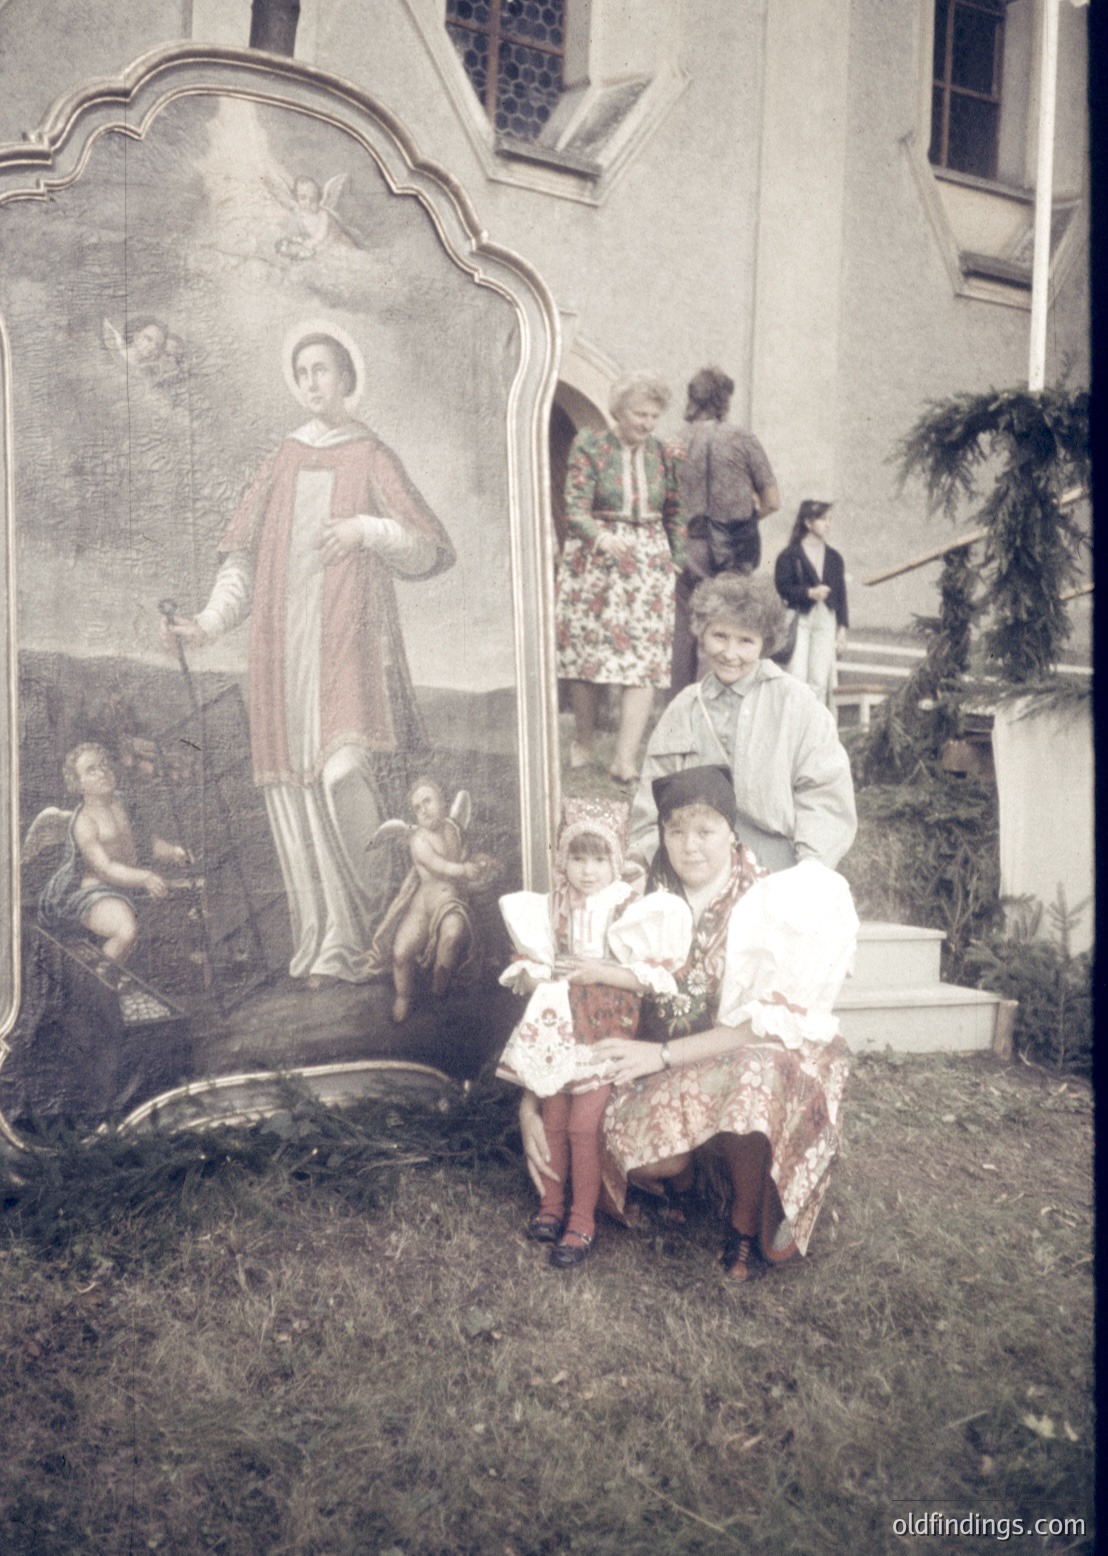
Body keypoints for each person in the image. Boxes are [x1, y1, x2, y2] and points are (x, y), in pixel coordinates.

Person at [161, 325, 455, 988]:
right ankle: (327, 943)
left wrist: (366, 528)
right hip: (281, 652)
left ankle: (373, 915)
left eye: (324, 369)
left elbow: (426, 547)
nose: (313, 382)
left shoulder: (371, 454)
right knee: (292, 795)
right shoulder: (283, 458)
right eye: (303, 371)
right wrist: (207, 621)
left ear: (348, 377)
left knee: (340, 774)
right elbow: (241, 555)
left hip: (344, 644)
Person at [520, 765, 858, 1282]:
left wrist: (661, 1055)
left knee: (757, 1074)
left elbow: (762, 1030)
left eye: (705, 831)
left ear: (731, 831)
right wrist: (531, 1101)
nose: (690, 846)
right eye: (675, 831)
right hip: (653, 1060)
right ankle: (693, 1174)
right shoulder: (634, 897)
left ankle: (745, 1220)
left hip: (742, 1053)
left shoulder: (770, 903)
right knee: (652, 1157)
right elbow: (567, 995)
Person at [497, 799, 692, 1267]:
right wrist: (537, 971)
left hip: (605, 1024)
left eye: (599, 859)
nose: (587, 871)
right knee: (555, 1118)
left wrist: (599, 970)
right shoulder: (554, 903)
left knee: (586, 1125)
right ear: (562, 858)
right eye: (577, 858)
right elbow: (535, 957)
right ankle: (551, 1206)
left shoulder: (628, 906)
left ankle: (582, 1219)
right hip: (560, 1023)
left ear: (616, 860)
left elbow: (651, 975)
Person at [628, 573, 856, 875]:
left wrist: (810, 869)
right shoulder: (685, 707)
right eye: (720, 636)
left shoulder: (796, 702)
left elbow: (825, 795)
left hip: (775, 865)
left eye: (745, 641)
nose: (730, 654)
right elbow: (654, 796)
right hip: (695, 863)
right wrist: (643, 855)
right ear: (702, 632)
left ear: (764, 644)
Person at [555, 371, 685, 785]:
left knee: (644, 662)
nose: (647, 423)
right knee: (589, 655)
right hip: (595, 561)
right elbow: (574, 507)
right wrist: (601, 538)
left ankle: (625, 759)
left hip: (648, 562)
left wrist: (676, 558)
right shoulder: (591, 446)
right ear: (618, 411)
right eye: (638, 414)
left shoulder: (665, 454)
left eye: (653, 415)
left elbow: (677, 511)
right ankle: (585, 741)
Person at [670, 366, 779, 696]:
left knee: (682, 633)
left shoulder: (672, 442)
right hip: (728, 549)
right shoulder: (742, 440)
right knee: (721, 627)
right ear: (724, 400)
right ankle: (712, 706)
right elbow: (772, 501)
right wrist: (745, 518)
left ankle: (678, 710)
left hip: (682, 546)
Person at [38, 743, 192, 965]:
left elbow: (145, 842)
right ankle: (100, 986)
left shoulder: (123, 803)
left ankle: (116, 982)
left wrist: (173, 852)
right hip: (97, 893)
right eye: (92, 769)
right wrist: (145, 877)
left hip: (127, 886)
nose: (103, 772)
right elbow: (105, 868)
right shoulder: (84, 822)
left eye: (104, 765)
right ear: (78, 784)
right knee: (125, 930)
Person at [364, 778, 496, 1022]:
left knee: (452, 934)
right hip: (423, 907)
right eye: (417, 807)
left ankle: (439, 988)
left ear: (442, 802)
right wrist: (465, 870)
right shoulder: (419, 841)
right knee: (401, 953)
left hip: (450, 902)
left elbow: (463, 855)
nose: (423, 809)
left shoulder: (453, 828)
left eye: (428, 801)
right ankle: (404, 996)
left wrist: (480, 861)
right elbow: (441, 866)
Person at [774, 500, 848, 709]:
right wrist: (808, 593)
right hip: (800, 618)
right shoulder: (790, 555)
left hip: (826, 619)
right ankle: (793, 729)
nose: (827, 524)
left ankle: (812, 733)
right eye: (822, 519)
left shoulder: (834, 558)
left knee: (819, 680)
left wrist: (842, 628)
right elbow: (782, 587)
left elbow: (841, 595)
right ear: (808, 522)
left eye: (829, 520)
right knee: (796, 676)